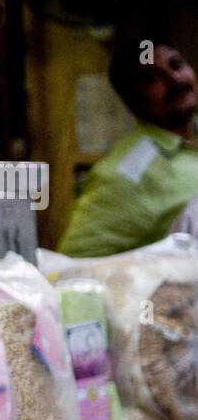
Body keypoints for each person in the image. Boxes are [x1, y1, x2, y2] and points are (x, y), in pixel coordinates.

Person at [58, 37, 198, 257]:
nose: (174, 78)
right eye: (152, 78)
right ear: (133, 100)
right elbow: (77, 263)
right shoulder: (127, 173)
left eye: (176, 65)